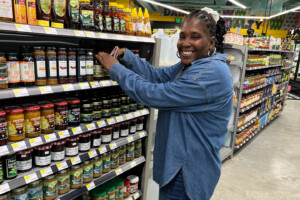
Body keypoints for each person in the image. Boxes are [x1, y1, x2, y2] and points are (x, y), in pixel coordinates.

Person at [96, 7, 233, 200]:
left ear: (211, 42)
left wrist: (116, 69)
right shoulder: (192, 65)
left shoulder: (209, 74)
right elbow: (158, 76)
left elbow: (154, 94)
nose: (185, 43)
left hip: (187, 172)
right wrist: (128, 56)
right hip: (178, 165)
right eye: (182, 36)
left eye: (195, 37)